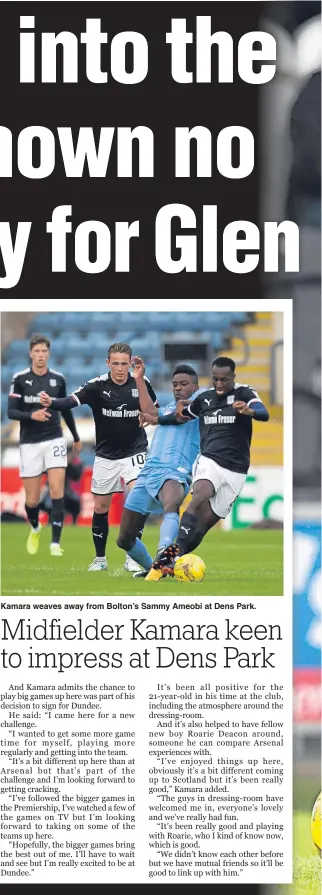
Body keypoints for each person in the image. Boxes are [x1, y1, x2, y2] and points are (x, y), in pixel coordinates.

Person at [39, 343, 158, 572]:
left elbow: (155, 409)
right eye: (116, 363)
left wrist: (148, 415)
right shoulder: (96, 386)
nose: (121, 368)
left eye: (125, 364)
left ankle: (133, 555)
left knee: (137, 498)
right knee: (101, 507)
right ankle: (100, 558)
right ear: (108, 363)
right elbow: (70, 401)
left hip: (136, 450)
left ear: (130, 363)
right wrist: (51, 402)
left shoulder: (141, 383)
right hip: (106, 455)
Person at [150, 356, 270, 577]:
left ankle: (171, 561)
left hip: (236, 470)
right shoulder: (204, 399)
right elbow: (181, 417)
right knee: (200, 495)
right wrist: (158, 419)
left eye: (224, 379)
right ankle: (166, 562)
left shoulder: (245, 394)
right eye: (215, 379)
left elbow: (264, 413)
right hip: (210, 460)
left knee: (201, 528)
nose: (219, 384)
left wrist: (249, 412)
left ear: (233, 377)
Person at [116, 363, 205, 580]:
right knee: (124, 539)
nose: (178, 388)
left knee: (171, 504)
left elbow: (191, 406)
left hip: (176, 470)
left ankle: (164, 552)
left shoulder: (200, 404)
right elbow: (149, 412)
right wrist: (139, 378)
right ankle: (156, 568)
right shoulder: (166, 410)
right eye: (175, 384)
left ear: (195, 386)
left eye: (184, 384)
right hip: (148, 473)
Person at [7, 333, 82, 557]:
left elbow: (65, 408)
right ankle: (35, 527)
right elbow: (11, 412)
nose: (40, 355)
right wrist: (32, 416)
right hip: (30, 442)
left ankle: (55, 544)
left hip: (54, 439)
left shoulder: (58, 379)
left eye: (44, 351)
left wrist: (75, 436)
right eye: (37, 351)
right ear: (31, 353)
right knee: (32, 501)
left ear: (48, 353)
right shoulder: (20, 379)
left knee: (57, 490)